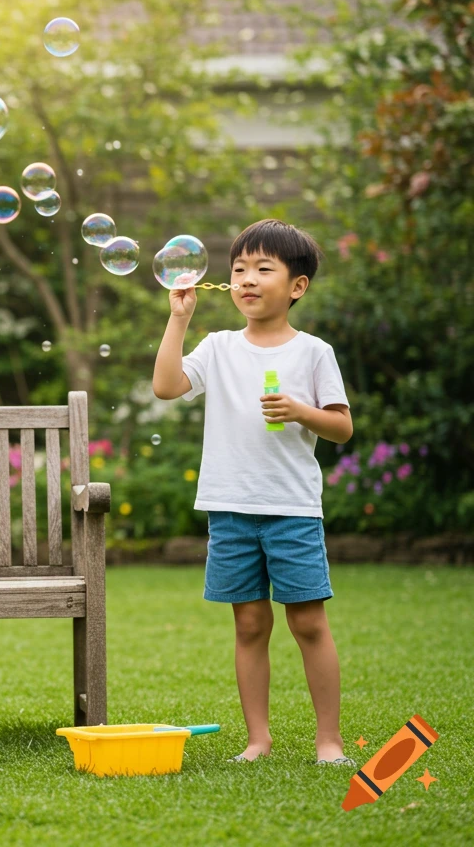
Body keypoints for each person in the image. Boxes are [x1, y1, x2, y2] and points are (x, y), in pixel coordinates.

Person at [152, 219, 355, 766]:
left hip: (291, 509)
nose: (247, 278)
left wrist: (300, 411)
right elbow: (166, 386)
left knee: (308, 621)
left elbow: (341, 427)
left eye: (264, 268)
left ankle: (329, 741)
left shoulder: (313, 352)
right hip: (230, 508)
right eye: (239, 268)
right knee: (248, 623)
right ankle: (258, 739)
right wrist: (179, 319)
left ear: (297, 286)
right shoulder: (218, 347)